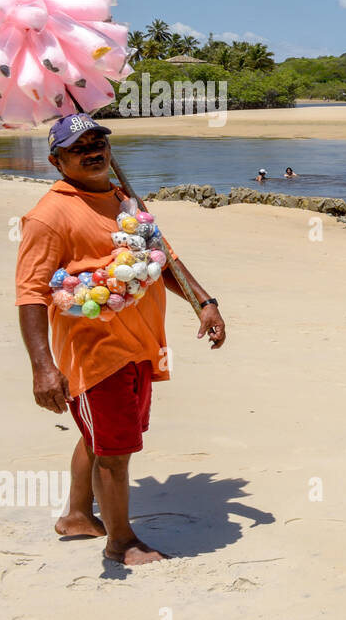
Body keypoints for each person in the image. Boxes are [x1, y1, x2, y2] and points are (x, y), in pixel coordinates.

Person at [15, 114, 226, 566]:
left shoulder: (124, 198)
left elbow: (162, 256)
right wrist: (43, 367)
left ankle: (76, 515)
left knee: (102, 438)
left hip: (141, 346)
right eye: (79, 148)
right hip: (95, 354)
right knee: (116, 450)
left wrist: (203, 301)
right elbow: (30, 294)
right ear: (56, 161)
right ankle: (121, 542)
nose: (93, 152)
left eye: (99, 142)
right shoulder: (47, 217)